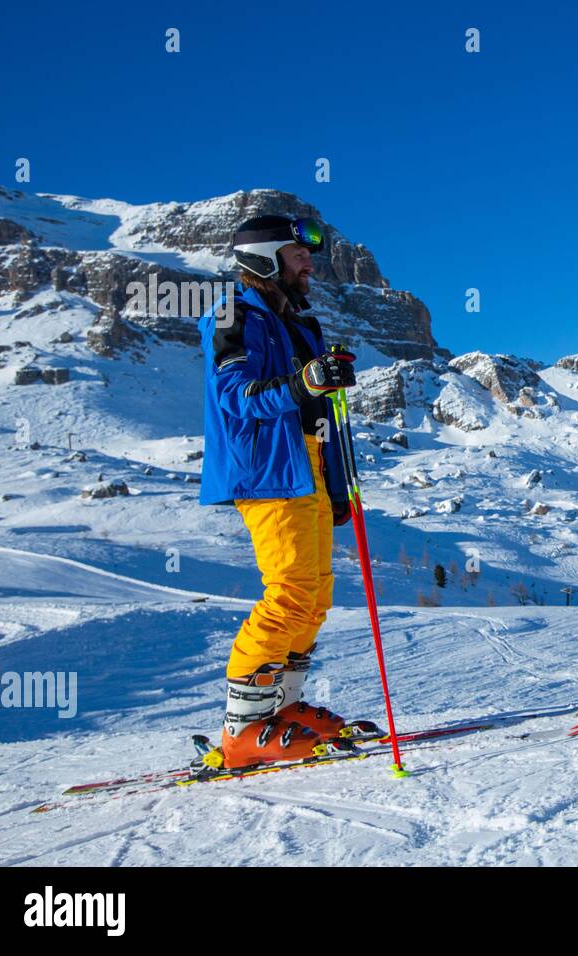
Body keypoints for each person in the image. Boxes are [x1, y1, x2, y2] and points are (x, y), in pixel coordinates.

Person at [197, 215, 358, 768]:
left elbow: (321, 411)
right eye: (297, 254)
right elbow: (237, 397)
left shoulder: (300, 322)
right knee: (288, 590)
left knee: (315, 594)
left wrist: (336, 485)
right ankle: (242, 727)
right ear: (265, 258)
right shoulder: (232, 315)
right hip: (268, 470)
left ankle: (279, 709)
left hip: (308, 466)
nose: (309, 262)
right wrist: (306, 381)